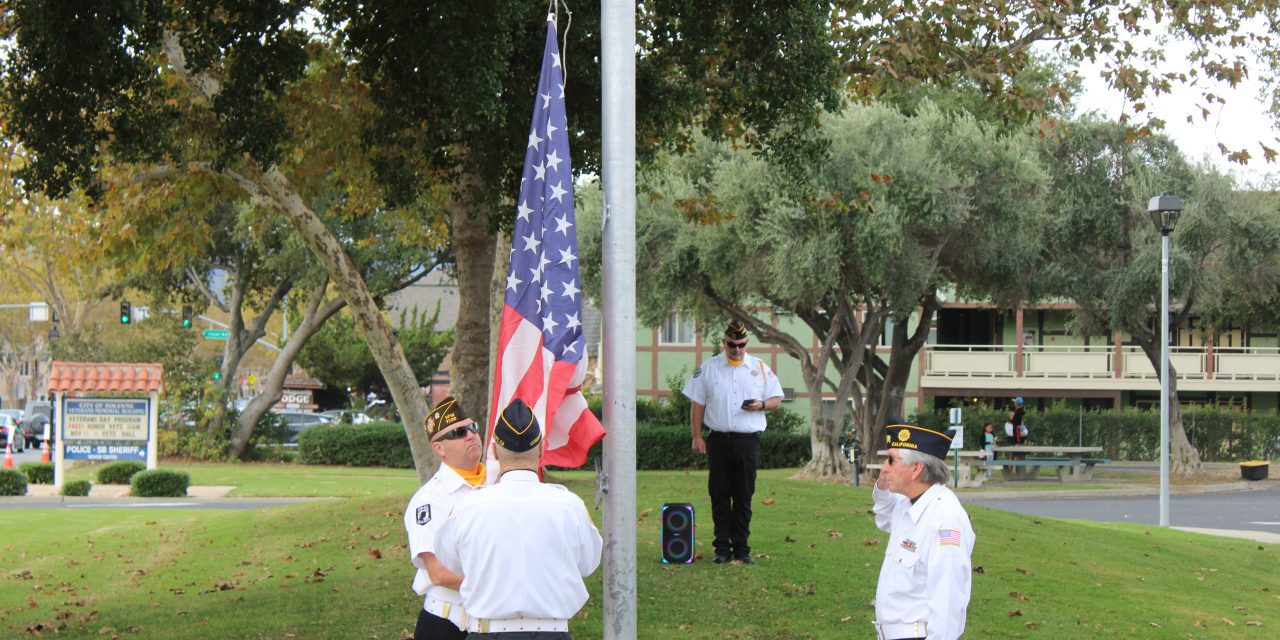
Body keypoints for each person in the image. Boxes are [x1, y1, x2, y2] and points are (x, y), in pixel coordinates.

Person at [434, 398, 603, 639]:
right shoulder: (570, 506)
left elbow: (451, 562)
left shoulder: (468, 507)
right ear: (542, 449)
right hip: (551, 633)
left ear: (494, 451)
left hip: (489, 632)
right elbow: (588, 564)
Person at [683, 319, 784, 564]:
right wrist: (697, 436)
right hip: (719, 441)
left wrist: (761, 405)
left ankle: (741, 549)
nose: (737, 349)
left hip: (747, 442)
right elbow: (697, 404)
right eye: (732, 345)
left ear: (747, 343)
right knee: (719, 495)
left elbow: (777, 399)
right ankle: (721, 549)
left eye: (741, 345)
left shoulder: (759, 367)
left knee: (743, 496)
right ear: (724, 343)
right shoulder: (709, 368)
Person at [872, 421, 975, 640]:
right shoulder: (907, 503)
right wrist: (883, 484)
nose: (885, 467)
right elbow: (883, 516)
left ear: (916, 469)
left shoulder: (944, 519)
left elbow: (948, 600)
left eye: (891, 460)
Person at [402, 397, 487, 640]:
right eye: (459, 433)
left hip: (491, 623)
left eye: (472, 428)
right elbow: (438, 572)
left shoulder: (497, 484)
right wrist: (496, 584)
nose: (470, 436)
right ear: (439, 449)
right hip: (447, 624)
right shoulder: (430, 499)